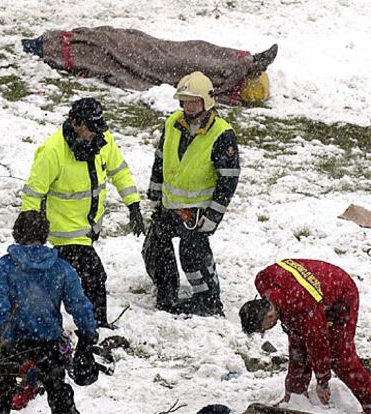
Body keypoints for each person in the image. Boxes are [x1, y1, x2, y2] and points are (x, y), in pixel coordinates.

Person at [21, 97, 144, 328]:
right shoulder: (52, 151)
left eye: (99, 128)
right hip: (63, 234)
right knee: (93, 277)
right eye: (91, 128)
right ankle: (96, 324)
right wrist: (30, 235)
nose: (96, 134)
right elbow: (33, 193)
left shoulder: (103, 141)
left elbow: (120, 172)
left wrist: (133, 205)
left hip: (88, 231)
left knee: (63, 281)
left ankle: (51, 322)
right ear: (75, 123)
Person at [142, 71, 240, 316]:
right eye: (184, 101)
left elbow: (228, 180)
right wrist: (154, 196)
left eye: (194, 101)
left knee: (193, 253)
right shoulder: (173, 123)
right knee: (157, 247)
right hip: (169, 205)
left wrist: (213, 215)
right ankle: (166, 292)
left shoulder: (221, 134)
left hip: (198, 211)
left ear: (207, 103)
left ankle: (207, 298)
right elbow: (161, 160)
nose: (188, 106)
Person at [0, 210, 98, 414]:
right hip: (49, 342)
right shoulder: (61, 268)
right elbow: (79, 304)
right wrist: (88, 333)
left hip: (13, 342)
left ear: (16, 234)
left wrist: (4, 339)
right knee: (59, 394)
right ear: (45, 235)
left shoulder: (3, 267)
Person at [239, 258, 371, 414]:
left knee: (340, 355)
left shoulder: (304, 310)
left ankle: (369, 401)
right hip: (315, 286)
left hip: (341, 293)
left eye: (263, 329)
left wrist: (322, 381)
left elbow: (318, 342)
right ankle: (295, 396)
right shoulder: (262, 280)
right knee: (297, 348)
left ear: (269, 317)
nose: (264, 332)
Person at [21, 26, 278, 106]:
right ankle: (237, 67)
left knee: (189, 48)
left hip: (135, 45)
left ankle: (244, 60)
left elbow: (108, 37)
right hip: (138, 58)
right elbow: (108, 61)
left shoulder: (81, 36)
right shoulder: (79, 47)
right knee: (178, 61)